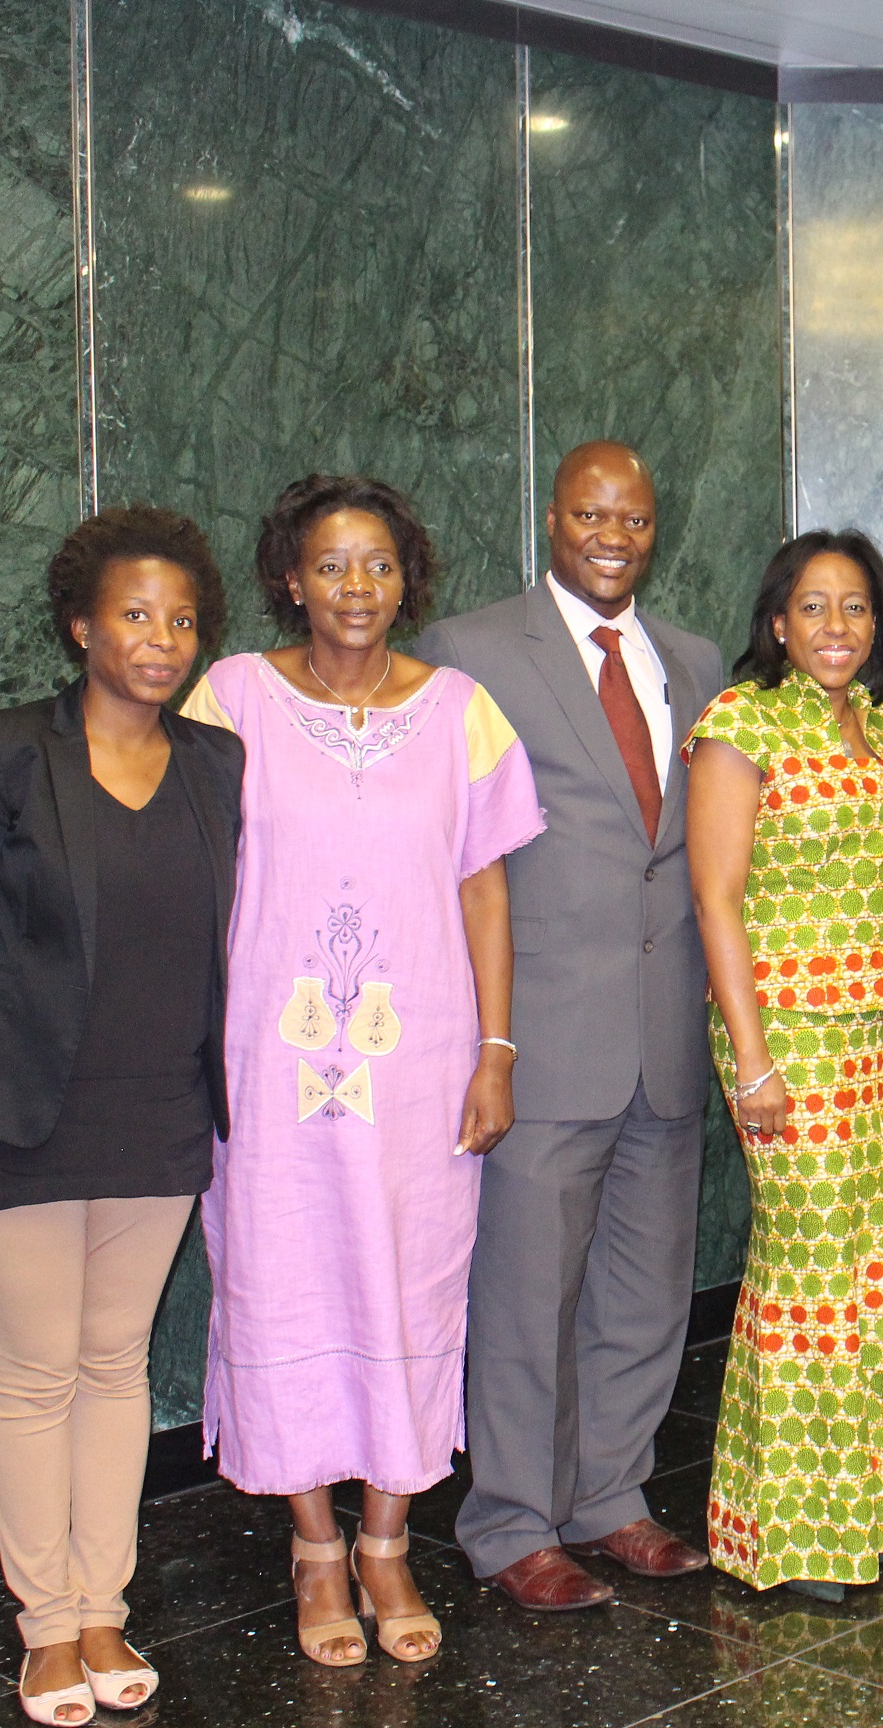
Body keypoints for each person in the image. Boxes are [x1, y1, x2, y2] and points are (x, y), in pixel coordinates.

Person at [182, 475, 544, 1664]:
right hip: (271, 1070)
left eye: (378, 566)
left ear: (408, 579)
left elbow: (484, 884)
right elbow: (142, 815)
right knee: (281, 1277)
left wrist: (495, 1050)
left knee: (411, 1285)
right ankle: (314, 1549)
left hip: (423, 1063)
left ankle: (387, 1542)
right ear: (290, 576)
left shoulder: (461, 711)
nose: (355, 588)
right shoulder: (230, 697)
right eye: (331, 566)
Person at [0, 507, 242, 1723]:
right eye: (136, 615)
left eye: (183, 618)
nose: (161, 639)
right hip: (13, 1114)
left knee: (118, 1367)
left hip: (158, 1115)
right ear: (82, 624)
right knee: (38, 1372)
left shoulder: (216, 764)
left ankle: (106, 1608)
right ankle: (45, 1627)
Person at [414, 441, 726, 1608]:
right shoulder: (471, 651)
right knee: (525, 1297)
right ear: (553, 519)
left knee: (646, 1291)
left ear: (655, 531)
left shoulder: (694, 664)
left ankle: (609, 1500)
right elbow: (438, 838)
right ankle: (509, 1523)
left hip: (664, 1034)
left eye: (635, 520)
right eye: (592, 514)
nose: (613, 536)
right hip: (539, 1032)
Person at [684, 530, 883, 1599]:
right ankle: (794, 1533)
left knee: (879, 1266)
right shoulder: (740, 725)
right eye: (814, 607)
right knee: (807, 1266)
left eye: (855, 608)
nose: (835, 626)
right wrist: (749, 1057)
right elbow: (714, 897)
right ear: (777, 623)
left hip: (880, 1025)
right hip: (786, 1029)